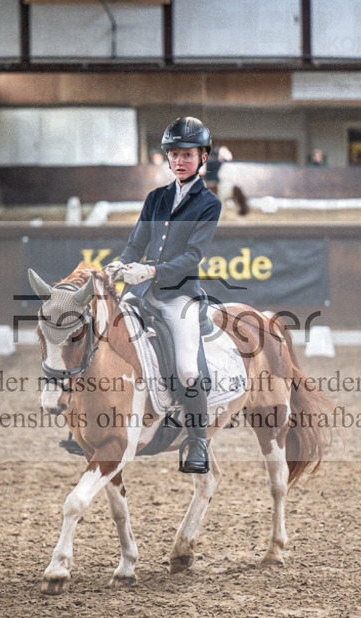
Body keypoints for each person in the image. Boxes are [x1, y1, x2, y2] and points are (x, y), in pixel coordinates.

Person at [105, 116, 221, 474]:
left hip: (179, 297)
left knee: (187, 369)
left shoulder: (209, 203)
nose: (179, 160)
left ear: (202, 158)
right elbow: (135, 243)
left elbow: (193, 257)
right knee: (105, 338)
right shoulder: (156, 198)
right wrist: (121, 266)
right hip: (140, 292)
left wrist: (153, 271)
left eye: (187, 154)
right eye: (174, 154)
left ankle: (197, 441)